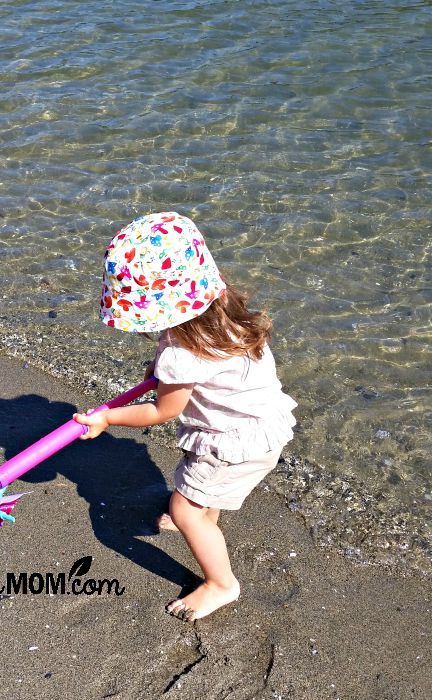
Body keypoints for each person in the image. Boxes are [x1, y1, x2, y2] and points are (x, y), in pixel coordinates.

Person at [73, 212, 297, 621]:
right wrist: (163, 375)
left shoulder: (180, 354)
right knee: (199, 499)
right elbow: (199, 377)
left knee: (183, 509)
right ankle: (204, 517)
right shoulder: (224, 312)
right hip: (262, 425)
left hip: (230, 442)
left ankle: (221, 584)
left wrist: (108, 420)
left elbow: (162, 410)